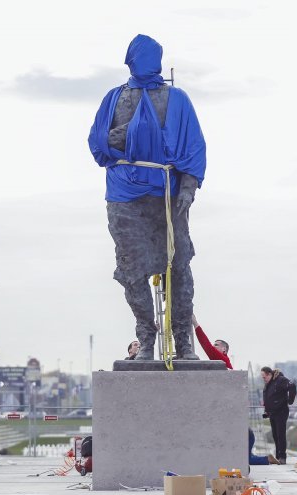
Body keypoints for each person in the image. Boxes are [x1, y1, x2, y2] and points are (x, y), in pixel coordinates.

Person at [89, 34, 206, 361]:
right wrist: (130, 135)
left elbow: (194, 144)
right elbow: (99, 143)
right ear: (129, 60)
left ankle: (182, 340)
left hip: (166, 193)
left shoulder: (177, 98)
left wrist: (188, 186)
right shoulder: (115, 97)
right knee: (132, 268)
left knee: (178, 265)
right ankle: (146, 336)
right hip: (125, 194)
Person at [261, 366, 294, 465]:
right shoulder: (268, 384)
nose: (264, 379)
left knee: (280, 434)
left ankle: (282, 457)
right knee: (275, 435)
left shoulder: (280, 380)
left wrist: (290, 400)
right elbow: (268, 397)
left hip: (281, 411)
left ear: (270, 374)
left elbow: (292, 386)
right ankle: (278, 456)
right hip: (272, 413)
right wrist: (267, 411)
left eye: (264, 377)